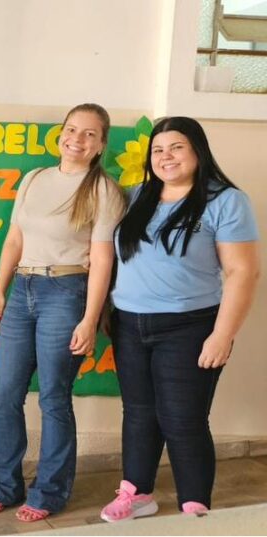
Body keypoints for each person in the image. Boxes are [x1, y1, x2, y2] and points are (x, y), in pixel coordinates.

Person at [99, 117, 259, 522]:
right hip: (129, 323)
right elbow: (113, 258)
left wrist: (223, 335)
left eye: (176, 148)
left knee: (183, 419)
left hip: (189, 326)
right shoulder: (136, 196)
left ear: (197, 151)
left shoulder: (225, 200)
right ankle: (137, 494)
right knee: (139, 413)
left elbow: (242, 272)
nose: (165, 157)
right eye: (158, 150)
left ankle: (195, 506)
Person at [0, 104, 126, 522]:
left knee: (53, 398)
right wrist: (0, 290)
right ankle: (4, 487)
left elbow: (102, 259)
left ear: (101, 144)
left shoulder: (104, 191)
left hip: (66, 292)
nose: (77, 139)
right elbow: (14, 239)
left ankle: (49, 492)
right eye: (72, 129)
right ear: (61, 133)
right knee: (6, 396)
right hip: (22, 289)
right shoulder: (34, 179)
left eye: (90, 134)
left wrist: (90, 319)